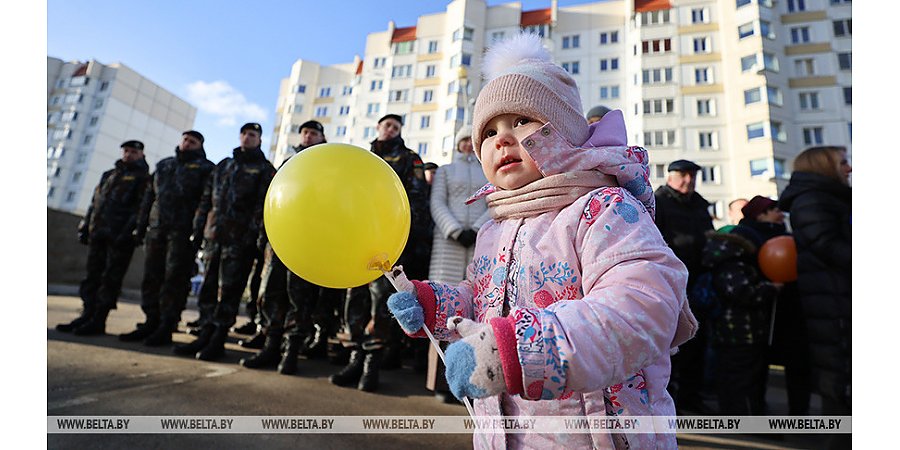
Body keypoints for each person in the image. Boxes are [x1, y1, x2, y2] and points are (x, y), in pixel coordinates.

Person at [386, 33, 695, 448]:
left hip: (600, 434)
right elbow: (485, 301)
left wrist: (519, 351)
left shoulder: (603, 208)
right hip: (506, 432)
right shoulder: (495, 226)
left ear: (564, 130)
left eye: (521, 121)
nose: (502, 139)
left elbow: (643, 302)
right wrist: (437, 305)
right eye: (489, 132)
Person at [328, 113, 432, 392]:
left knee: (379, 303)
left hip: (386, 243)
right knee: (354, 297)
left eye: (396, 126)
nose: (390, 129)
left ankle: (371, 364)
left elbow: (417, 200)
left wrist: (403, 243)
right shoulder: (362, 157)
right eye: (387, 125)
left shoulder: (410, 159)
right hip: (354, 240)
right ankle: (355, 357)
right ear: (377, 128)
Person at [174, 123, 276, 361]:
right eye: (245, 133)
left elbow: (264, 208)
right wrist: (199, 230)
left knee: (229, 291)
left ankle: (218, 338)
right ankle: (205, 333)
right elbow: (207, 200)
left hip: (240, 242)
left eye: (253, 135)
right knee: (208, 288)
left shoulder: (263, 169)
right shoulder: (224, 166)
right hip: (214, 237)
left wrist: (256, 238)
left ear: (259, 140)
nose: (247, 138)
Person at [240, 120, 335, 374]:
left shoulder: (328, 165)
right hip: (280, 239)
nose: (308, 136)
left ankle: (291, 350)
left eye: (314, 133)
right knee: (271, 292)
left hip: (307, 242)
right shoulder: (287, 164)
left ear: (321, 138)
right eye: (305, 132)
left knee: (299, 297)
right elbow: (272, 200)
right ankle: (271, 345)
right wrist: (265, 234)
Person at [778, 146, 851, 448]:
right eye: (843, 162)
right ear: (824, 166)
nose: (849, 168)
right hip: (836, 311)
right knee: (841, 396)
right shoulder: (813, 201)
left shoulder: (831, 198)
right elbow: (830, 246)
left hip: (838, 304)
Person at [119, 131, 215, 346]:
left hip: (182, 234)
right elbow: (149, 198)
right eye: (185, 139)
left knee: (175, 280)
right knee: (152, 277)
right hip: (157, 230)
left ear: (200, 145)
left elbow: (206, 202)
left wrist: (197, 232)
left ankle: (167, 324)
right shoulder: (164, 165)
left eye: (193, 141)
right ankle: (151, 321)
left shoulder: (206, 168)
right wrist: (141, 226)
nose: (187, 143)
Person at [700, 196, 784, 415]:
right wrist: (770, 289)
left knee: (739, 376)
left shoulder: (730, 261)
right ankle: (743, 417)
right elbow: (741, 292)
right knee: (739, 378)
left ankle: (743, 413)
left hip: (739, 330)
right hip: (738, 331)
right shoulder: (733, 263)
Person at [57, 140, 151, 335]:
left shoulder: (143, 178)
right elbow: (95, 202)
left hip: (119, 238)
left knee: (110, 279)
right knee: (92, 276)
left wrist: (129, 233)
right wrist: (85, 226)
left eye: (133, 152)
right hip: (98, 233)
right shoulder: (110, 175)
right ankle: (87, 314)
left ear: (141, 155)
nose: (128, 154)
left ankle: (99, 319)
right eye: (126, 151)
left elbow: (141, 210)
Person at [424, 127, 490, 403]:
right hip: (448, 245)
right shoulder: (445, 171)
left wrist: (475, 229)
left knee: (471, 313)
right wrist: (454, 229)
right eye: (461, 140)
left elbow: (491, 199)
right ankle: (440, 381)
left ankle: (469, 383)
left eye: (469, 140)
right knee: (443, 310)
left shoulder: (486, 170)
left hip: (476, 242)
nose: (465, 145)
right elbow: (436, 203)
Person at [654, 158, 715, 414]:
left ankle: (692, 397)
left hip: (698, 282)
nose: (689, 180)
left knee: (697, 342)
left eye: (692, 175)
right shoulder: (659, 201)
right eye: (683, 175)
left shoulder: (700, 204)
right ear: (670, 177)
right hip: (669, 283)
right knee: (672, 344)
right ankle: (669, 398)